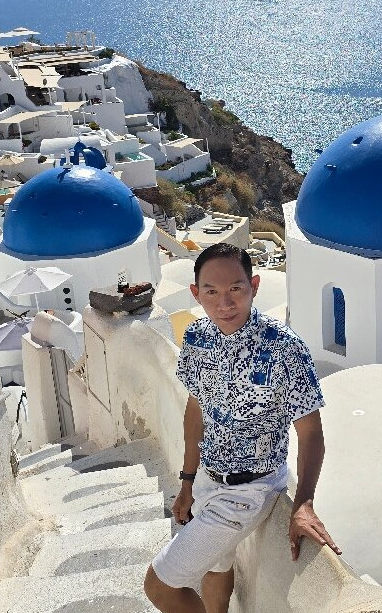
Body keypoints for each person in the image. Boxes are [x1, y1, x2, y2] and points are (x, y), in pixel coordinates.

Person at [144, 243, 340, 613]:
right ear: (195, 294)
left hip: (250, 490)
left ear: (254, 285)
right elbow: (196, 408)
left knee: (159, 586)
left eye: (235, 289)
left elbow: (310, 432)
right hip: (208, 479)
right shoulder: (198, 337)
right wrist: (187, 482)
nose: (225, 304)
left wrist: (304, 503)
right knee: (217, 569)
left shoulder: (285, 349)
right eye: (212, 292)